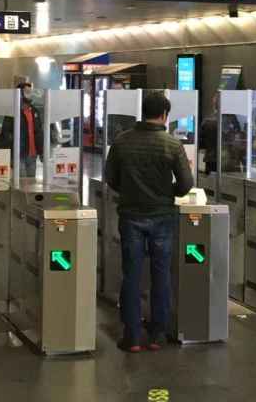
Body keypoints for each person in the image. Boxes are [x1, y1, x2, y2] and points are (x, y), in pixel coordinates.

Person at [105, 91, 194, 353]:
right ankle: (157, 334)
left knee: (131, 275)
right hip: (162, 217)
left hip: (131, 216)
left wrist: (130, 191)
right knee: (161, 274)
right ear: (164, 115)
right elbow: (186, 184)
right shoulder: (171, 145)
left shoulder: (122, 141)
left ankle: (132, 337)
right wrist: (169, 193)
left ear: (142, 112)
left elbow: (111, 177)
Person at [17, 82, 43, 178]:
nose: (30, 94)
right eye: (27, 92)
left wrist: (41, 151)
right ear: (19, 93)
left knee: (32, 183)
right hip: (20, 154)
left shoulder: (35, 111)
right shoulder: (14, 111)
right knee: (21, 184)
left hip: (33, 154)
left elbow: (39, 132)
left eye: (30, 92)